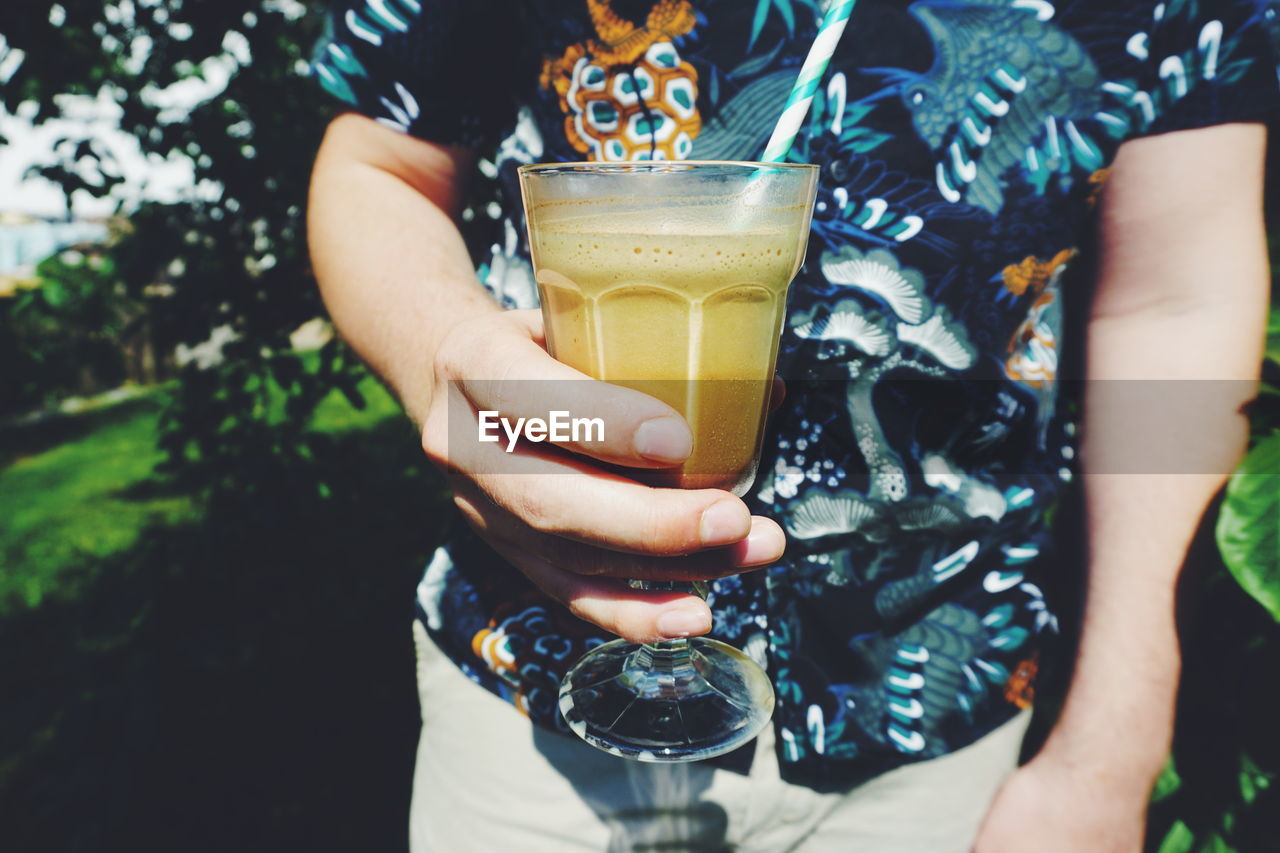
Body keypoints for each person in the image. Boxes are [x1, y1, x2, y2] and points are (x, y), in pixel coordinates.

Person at [306, 0, 1277, 849]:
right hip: (533, 674)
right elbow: (380, 165)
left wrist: (1109, 749)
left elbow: (1175, 303)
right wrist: (446, 365)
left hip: (938, 704)